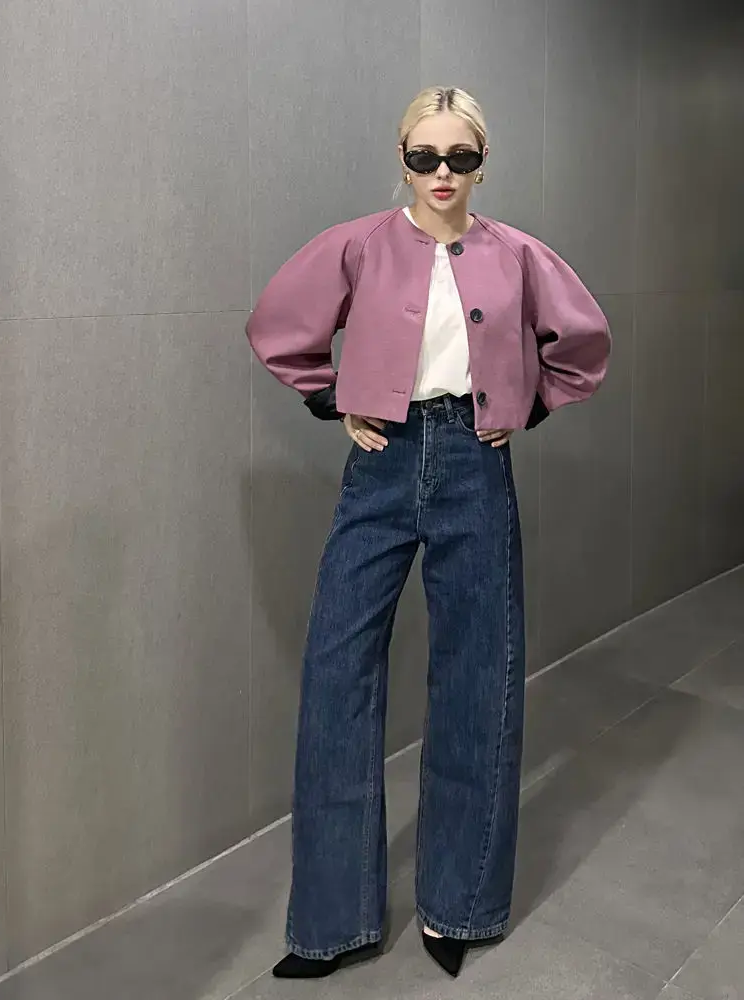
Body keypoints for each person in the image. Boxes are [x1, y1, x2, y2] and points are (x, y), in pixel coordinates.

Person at [246, 86, 611, 980]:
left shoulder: (517, 254)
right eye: (424, 157)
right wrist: (331, 399)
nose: (442, 173)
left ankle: (461, 906)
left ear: (482, 163)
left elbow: (582, 344)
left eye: (460, 157)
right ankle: (332, 922)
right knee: (337, 674)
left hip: (474, 466)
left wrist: (524, 406)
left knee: (478, 677)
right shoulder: (360, 245)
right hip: (380, 465)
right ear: (402, 159)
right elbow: (279, 327)